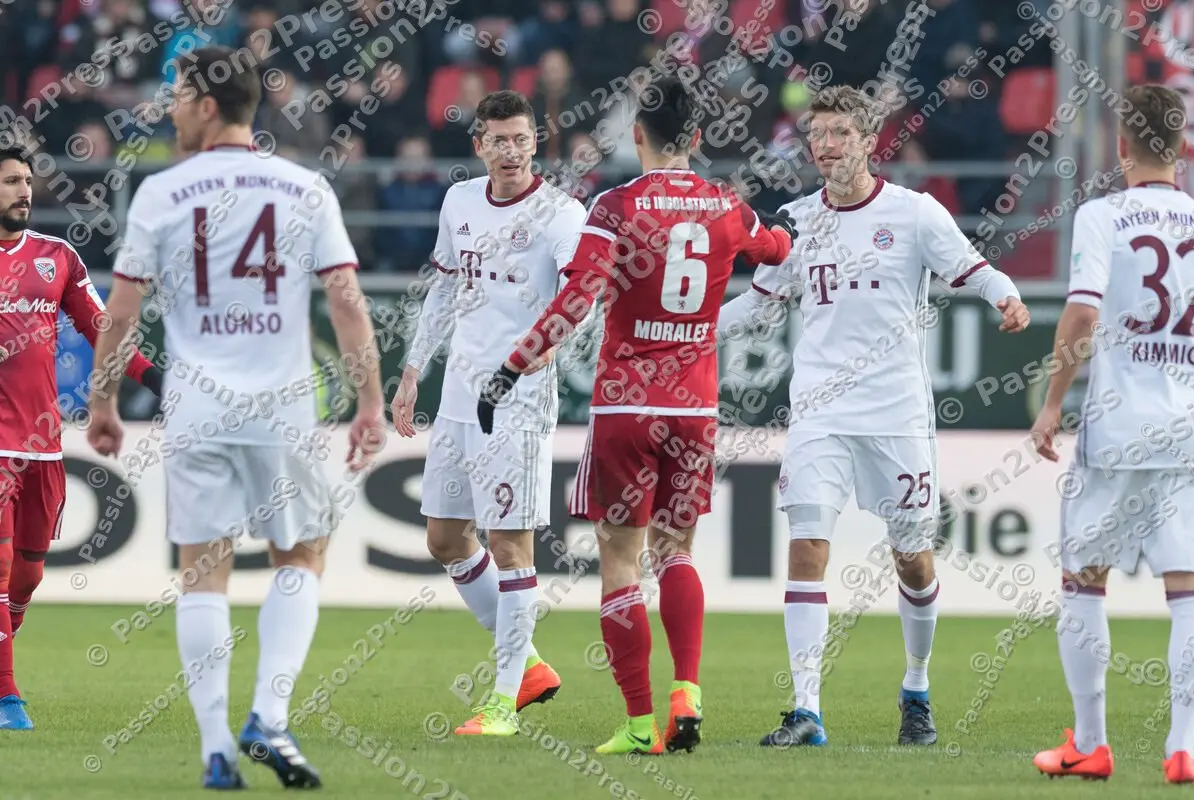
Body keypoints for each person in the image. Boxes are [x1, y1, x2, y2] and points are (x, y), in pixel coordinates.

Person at [86, 46, 386, 790]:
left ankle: (217, 747)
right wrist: (370, 399)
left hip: (196, 407)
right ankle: (271, 719)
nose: (173, 109)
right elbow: (346, 301)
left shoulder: (162, 192)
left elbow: (121, 312)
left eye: (181, 97)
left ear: (210, 105)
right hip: (281, 406)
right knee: (302, 556)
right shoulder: (304, 187)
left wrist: (102, 400)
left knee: (202, 572)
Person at [476, 75, 796, 755]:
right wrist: (781, 243)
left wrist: (514, 362)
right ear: (699, 139)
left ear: (638, 136)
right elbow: (776, 249)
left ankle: (641, 721)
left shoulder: (615, 205)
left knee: (620, 560)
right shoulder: (725, 206)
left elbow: (578, 297)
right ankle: (689, 690)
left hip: (627, 404)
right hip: (695, 406)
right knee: (676, 552)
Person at [716, 84, 1029, 749]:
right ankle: (806, 710)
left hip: (896, 414)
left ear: (866, 139)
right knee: (806, 546)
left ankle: (916, 685)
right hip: (819, 411)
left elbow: (972, 268)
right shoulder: (799, 221)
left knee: (912, 560)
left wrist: (1007, 296)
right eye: (816, 136)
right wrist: (684, 330)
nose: (825, 147)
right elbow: (760, 304)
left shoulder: (915, 213)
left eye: (838, 134)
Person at [391, 89, 586, 737]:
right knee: (445, 538)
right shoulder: (460, 201)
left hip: (517, 399)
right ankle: (528, 665)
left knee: (509, 541)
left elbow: (582, 301)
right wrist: (414, 369)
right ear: (479, 145)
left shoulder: (561, 214)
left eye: (520, 139)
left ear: (537, 143)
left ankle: (503, 702)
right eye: (497, 140)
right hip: (456, 395)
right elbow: (445, 288)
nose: (510, 151)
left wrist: (536, 355)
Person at [1031, 84, 1194, 784]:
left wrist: (1050, 405)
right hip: (1189, 430)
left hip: (1120, 425)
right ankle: (1183, 747)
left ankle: (1092, 744)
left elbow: (1080, 316)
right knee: (1189, 587)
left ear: (1122, 146)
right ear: (1184, 148)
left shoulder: (1104, 216)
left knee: (1082, 579)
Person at [0, 148, 162, 731]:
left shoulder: (56, 258)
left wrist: (152, 377)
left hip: (42, 442)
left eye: (26, 180)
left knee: (27, 576)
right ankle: (7, 698)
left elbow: (102, 327)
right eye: (11, 181)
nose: (24, 190)